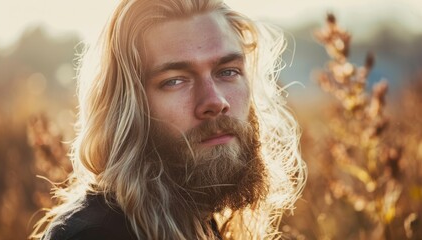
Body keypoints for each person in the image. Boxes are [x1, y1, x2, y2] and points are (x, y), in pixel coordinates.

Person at [31, 0, 306, 239]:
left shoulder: (199, 218)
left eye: (228, 72)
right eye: (174, 80)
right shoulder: (95, 235)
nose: (215, 102)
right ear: (128, 107)